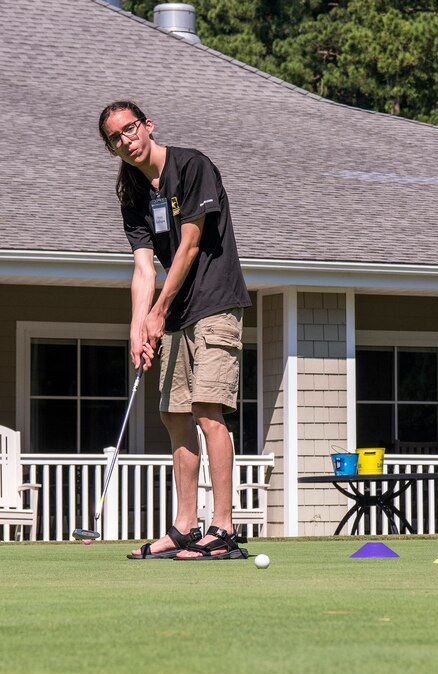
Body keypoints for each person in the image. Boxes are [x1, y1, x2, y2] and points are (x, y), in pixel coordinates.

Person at [99, 100, 253, 560]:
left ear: (147, 126)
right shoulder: (132, 191)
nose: (125, 140)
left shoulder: (193, 166)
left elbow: (188, 246)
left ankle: (222, 528)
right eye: (115, 138)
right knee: (173, 413)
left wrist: (158, 310)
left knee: (208, 410)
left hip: (215, 302)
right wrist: (136, 327)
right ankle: (185, 528)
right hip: (175, 311)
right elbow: (144, 267)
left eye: (129, 129)